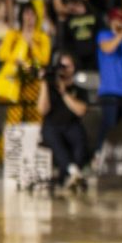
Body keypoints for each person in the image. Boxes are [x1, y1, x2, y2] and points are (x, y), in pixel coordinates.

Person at [0, 3, 52, 155]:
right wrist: (21, 43)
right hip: (17, 82)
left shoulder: (42, 37)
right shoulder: (13, 35)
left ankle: (34, 153)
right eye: (26, 14)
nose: (29, 18)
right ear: (21, 16)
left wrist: (31, 42)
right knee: (14, 120)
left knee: (36, 120)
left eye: (32, 14)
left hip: (35, 79)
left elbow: (44, 59)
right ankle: (6, 156)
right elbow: (3, 54)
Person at [38, 52, 89, 190]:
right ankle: (74, 173)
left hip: (71, 125)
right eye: (62, 66)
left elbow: (81, 110)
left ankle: (68, 175)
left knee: (79, 139)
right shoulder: (49, 88)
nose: (65, 69)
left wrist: (64, 92)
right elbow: (42, 110)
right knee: (54, 139)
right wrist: (44, 84)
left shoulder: (79, 90)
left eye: (68, 66)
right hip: (52, 125)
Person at [96, 8, 122, 151]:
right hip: (109, 90)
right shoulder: (104, 35)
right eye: (118, 19)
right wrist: (121, 34)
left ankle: (118, 160)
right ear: (111, 21)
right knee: (108, 127)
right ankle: (99, 155)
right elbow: (108, 49)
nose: (121, 23)